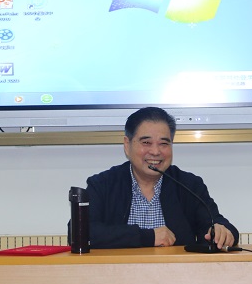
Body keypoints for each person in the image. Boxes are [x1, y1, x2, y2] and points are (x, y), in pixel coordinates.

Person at [84, 107, 238, 249]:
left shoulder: (189, 185)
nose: (155, 151)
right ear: (127, 145)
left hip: (176, 269)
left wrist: (223, 232)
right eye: (146, 142)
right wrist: (148, 237)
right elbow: (82, 232)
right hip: (117, 269)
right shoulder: (102, 185)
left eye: (163, 143)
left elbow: (219, 224)